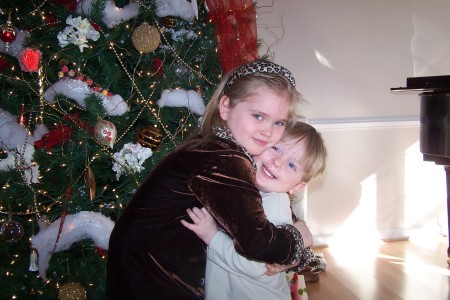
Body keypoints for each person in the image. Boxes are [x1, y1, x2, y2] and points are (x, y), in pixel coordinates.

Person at [107, 60, 311, 299]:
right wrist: (298, 241)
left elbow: (254, 202)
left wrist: (297, 235)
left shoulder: (224, 146)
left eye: (278, 122)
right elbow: (257, 241)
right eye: (258, 116)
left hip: (147, 256)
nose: (268, 131)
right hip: (152, 268)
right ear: (225, 107)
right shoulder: (224, 159)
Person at [181, 122, 327, 300]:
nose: (277, 162)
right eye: (276, 148)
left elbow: (256, 265)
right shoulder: (245, 187)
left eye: (292, 165)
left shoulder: (276, 207)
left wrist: (212, 236)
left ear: (297, 186)